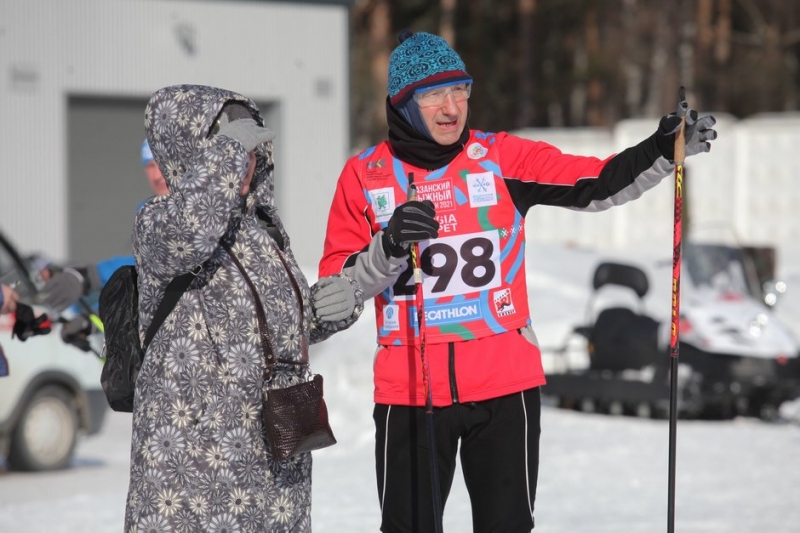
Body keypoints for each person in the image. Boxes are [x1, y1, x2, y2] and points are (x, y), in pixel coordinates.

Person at [318, 30, 717, 532]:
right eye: (433, 94)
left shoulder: (500, 157)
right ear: (401, 103)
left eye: (461, 89)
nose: (452, 106)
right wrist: (388, 246)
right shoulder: (365, 175)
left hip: (504, 385)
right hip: (409, 388)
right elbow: (334, 292)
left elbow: (596, 182)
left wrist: (662, 149)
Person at [125, 84, 363, 533]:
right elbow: (191, 229)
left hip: (273, 457)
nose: (247, 161)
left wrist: (333, 307)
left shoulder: (264, 230)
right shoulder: (157, 223)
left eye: (253, 150)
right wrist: (227, 151)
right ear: (193, 152)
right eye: (234, 151)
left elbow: (277, 327)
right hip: (196, 469)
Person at [41, 140, 167, 312]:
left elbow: (157, 264)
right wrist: (90, 318)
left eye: (162, 164)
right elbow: (142, 286)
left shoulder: (199, 211)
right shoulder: (147, 212)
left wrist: (92, 275)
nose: (157, 176)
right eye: (150, 166)